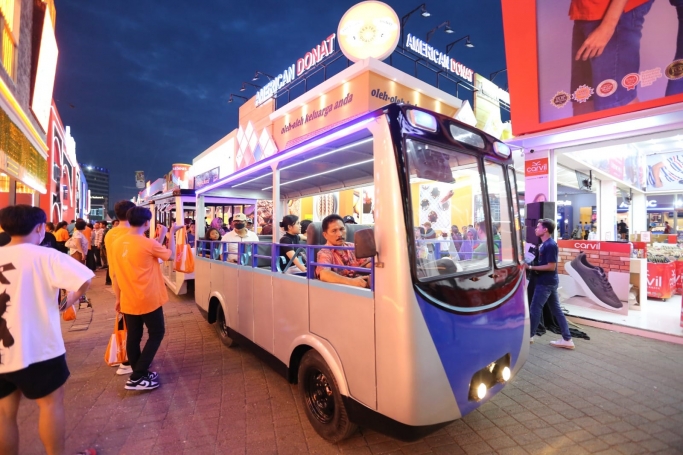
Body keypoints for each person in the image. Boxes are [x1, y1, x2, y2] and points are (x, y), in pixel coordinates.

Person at [0, 205, 94, 455]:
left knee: (4, 414)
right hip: (40, 349)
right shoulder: (46, 256)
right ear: (40, 228)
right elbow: (84, 279)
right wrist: (67, 302)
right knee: (51, 405)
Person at [111, 206, 180, 391]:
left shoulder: (118, 242)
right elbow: (170, 255)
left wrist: (118, 298)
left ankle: (138, 371)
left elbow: (116, 274)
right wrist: (171, 233)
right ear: (147, 222)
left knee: (134, 336)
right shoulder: (147, 243)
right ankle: (137, 376)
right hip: (148, 297)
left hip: (127, 298)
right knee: (156, 333)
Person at [570, 0, 653, 115]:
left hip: (612, 12)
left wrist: (608, 26)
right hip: (586, 10)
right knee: (583, 100)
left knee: (615, 103)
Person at [526, 219, 575, 349]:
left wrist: (530, 268)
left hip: (546, 283)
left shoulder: (550, 245)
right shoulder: (544, 245)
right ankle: (567, 339)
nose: (535, 229)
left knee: (535, 308)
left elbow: (550, 267)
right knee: (556, 310)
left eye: (538, 227)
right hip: (549, 282)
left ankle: (529, 336)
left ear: (545, 229)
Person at [104, 202, 136, 373]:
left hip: (117, 282)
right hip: (130, 285)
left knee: (126, 324)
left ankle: (125, 358)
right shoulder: (131, 234)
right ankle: (127, 361)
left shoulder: (110, 233)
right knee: (133, 327)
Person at [316, 214, 370, 288]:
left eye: (342, 229)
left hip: (361, 286)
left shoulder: (353, 247)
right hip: (340, 292)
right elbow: (324, 274)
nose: (340, 234)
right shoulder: (324, 253)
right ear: (325, 235)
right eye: (334, 231)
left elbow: (366, 262)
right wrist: (352, 282)